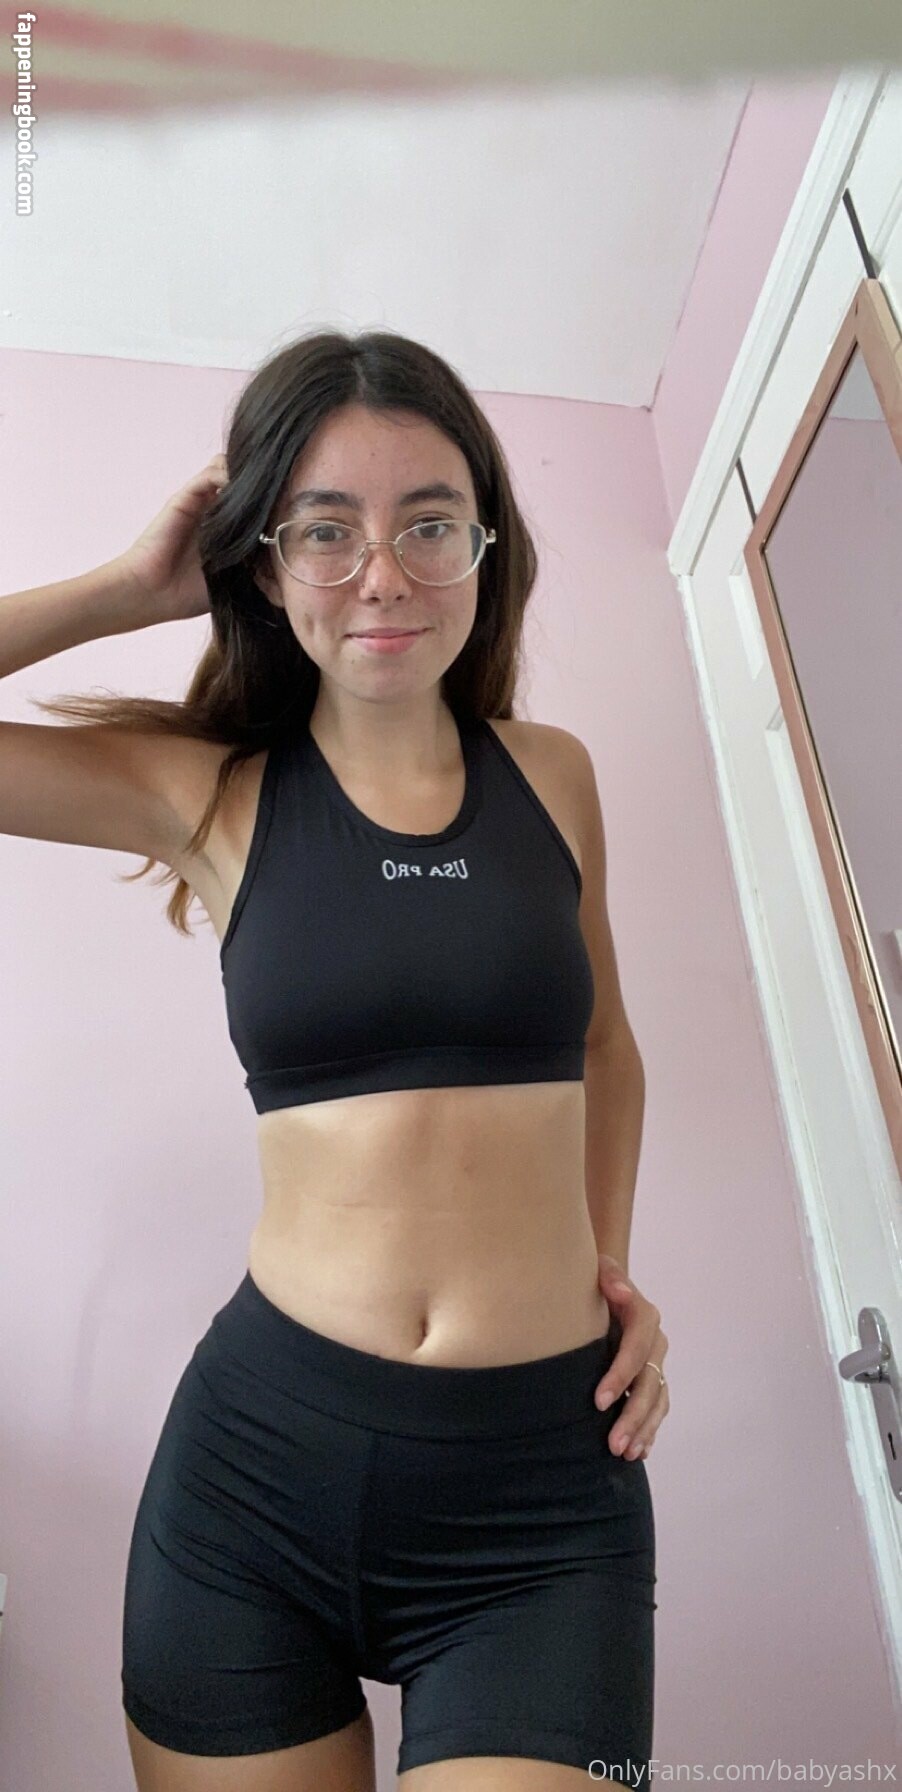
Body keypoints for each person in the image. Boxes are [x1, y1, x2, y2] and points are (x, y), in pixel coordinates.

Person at [1, 328, 669, 1792]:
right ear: (260, 561)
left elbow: (605, 1047)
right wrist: (124, 588)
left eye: (429, 522)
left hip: (540, 1497)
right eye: (323, 529)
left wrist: (606, 1269)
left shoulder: (551, 774)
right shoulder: (204, 794)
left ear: (484, 544)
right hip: (255, 1479)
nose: (383, 575)